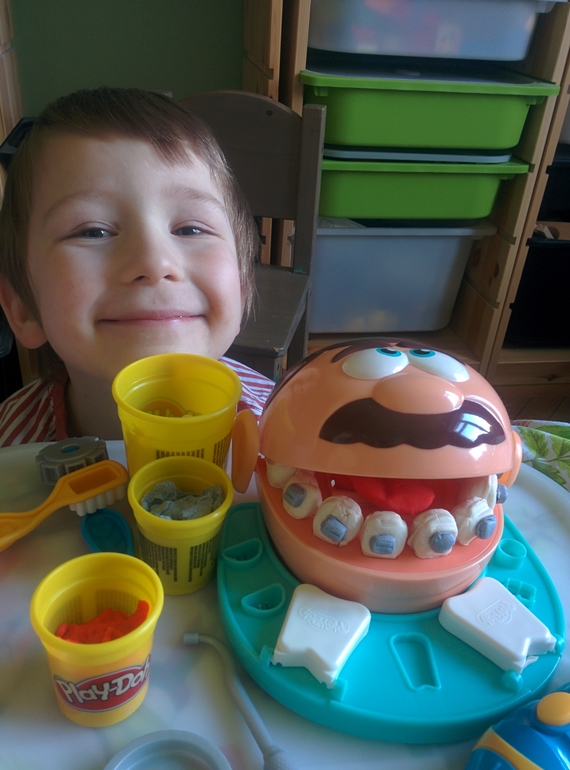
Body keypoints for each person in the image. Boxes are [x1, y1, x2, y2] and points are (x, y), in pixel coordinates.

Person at [0, 86, 274, 446]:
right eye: (93, 232)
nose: (154, 262)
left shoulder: (291, 428)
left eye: (190, 229)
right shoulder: (8, 447)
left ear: (242, 286)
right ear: (22, 307)